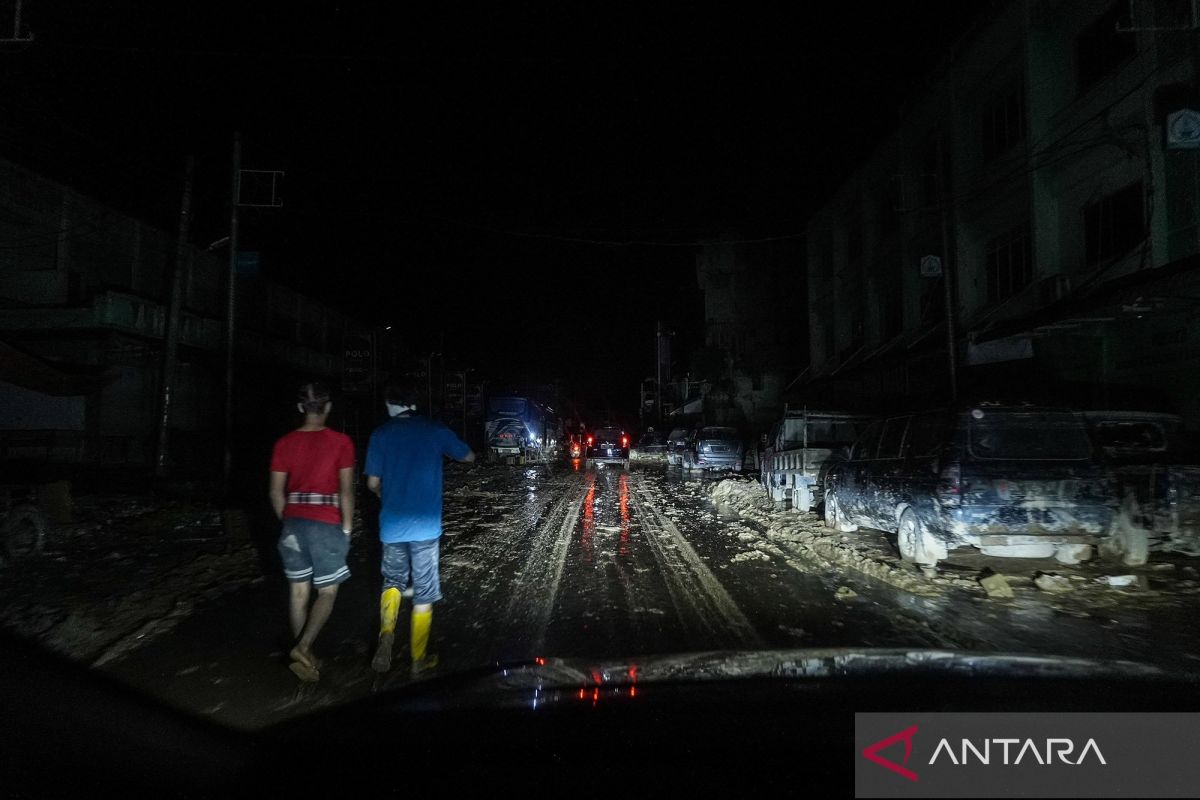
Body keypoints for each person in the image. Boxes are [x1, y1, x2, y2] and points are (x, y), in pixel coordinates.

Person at [365, 380, 475, 676]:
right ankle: (418, 659)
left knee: (393, 582)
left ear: (390, 405)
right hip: (426, 528)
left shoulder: (380, 434)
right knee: (424, 593)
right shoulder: (434, 429)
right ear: (415, 405)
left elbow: (372, 483)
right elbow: (468, 456)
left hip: (391, 527)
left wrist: (386, 494)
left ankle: (387, 634)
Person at [268, 382, 356, 683]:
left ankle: (306, 657)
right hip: (326, 522)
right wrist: (346, 527)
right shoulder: (341, 442)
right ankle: (304, 646)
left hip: (293, 522)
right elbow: (346, 491)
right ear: (328, 408)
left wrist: (288, 521)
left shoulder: (284, 443)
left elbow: (276, 492)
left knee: (298, 593)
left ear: (300, 408)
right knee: (328, 591)